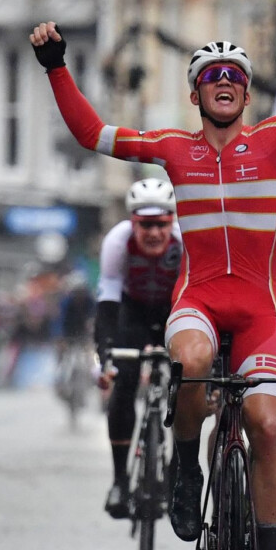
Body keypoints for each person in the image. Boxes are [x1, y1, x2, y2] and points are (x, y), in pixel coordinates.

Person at [30, 0, 276, 550]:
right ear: (196, 96)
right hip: (198, 301)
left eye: (235, 79)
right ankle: (186, 467)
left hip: (259, 311)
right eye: (211, 78)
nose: (224, 83)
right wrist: (57, 68)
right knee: (191, 364)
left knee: (268, 426)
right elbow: (93, 133)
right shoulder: (172, 147)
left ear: (247, 96)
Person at [94, 178, 184, 519]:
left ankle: (178, 472)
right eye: (145, 224)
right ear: (133, 223)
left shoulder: (184, 241)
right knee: (124, 380)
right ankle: (119, 481)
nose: (154, 233)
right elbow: (107, 301)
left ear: (171, 223)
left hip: (173, 308)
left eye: (161, 224)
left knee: (187, 385)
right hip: (131, 311)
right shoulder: (117, 241)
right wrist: (105, 356)